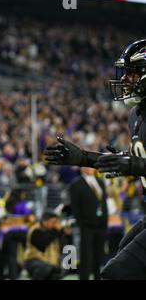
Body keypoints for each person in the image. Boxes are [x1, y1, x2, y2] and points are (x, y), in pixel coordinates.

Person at [44, 39, 146, 279]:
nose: (125, 80)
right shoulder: (137, 114)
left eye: (132, 73)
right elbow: (132, 160)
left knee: (116, 273)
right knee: (121, 256)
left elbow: (135, 163)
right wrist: (83, 158)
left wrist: (133, 164)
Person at [69, 167, 108, 280]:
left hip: (101, 224)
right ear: (82, 168)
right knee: (86, 255)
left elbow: (103, 202)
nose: (90, 168)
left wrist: (105, 219)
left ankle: (97, 277)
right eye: (87, 166)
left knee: (98, 254)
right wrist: (81, 222)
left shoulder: (100, 182)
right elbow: (75, 206)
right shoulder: (76, 183)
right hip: (87, 225)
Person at [24, 211, 72, 280]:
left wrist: (67, 235)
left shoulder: (54, 231)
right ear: (45, 222)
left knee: (63, 269)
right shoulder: (35, 230)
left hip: (51, 264)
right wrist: (56, 231)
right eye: (53, 222)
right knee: (45, 268)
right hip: (33, 261)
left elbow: (64, 248)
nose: (56, 224)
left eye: (57, 222)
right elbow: (42, 244)